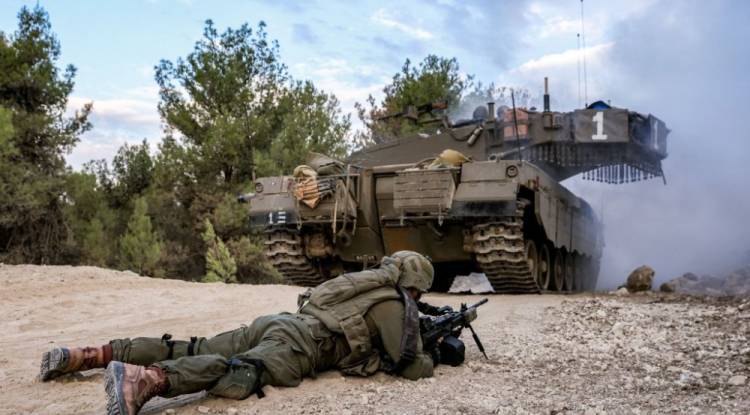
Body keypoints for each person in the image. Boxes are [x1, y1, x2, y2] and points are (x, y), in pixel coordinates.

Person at [39, 251, 442, 415]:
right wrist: (434, 353)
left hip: (276, 323)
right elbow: (409, 365)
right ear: (415, 285)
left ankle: (87, 355)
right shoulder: (392, 304)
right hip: (299, 346)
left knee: (193, 345)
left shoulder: (365, 283)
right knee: (241, 370)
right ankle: (147, 381)